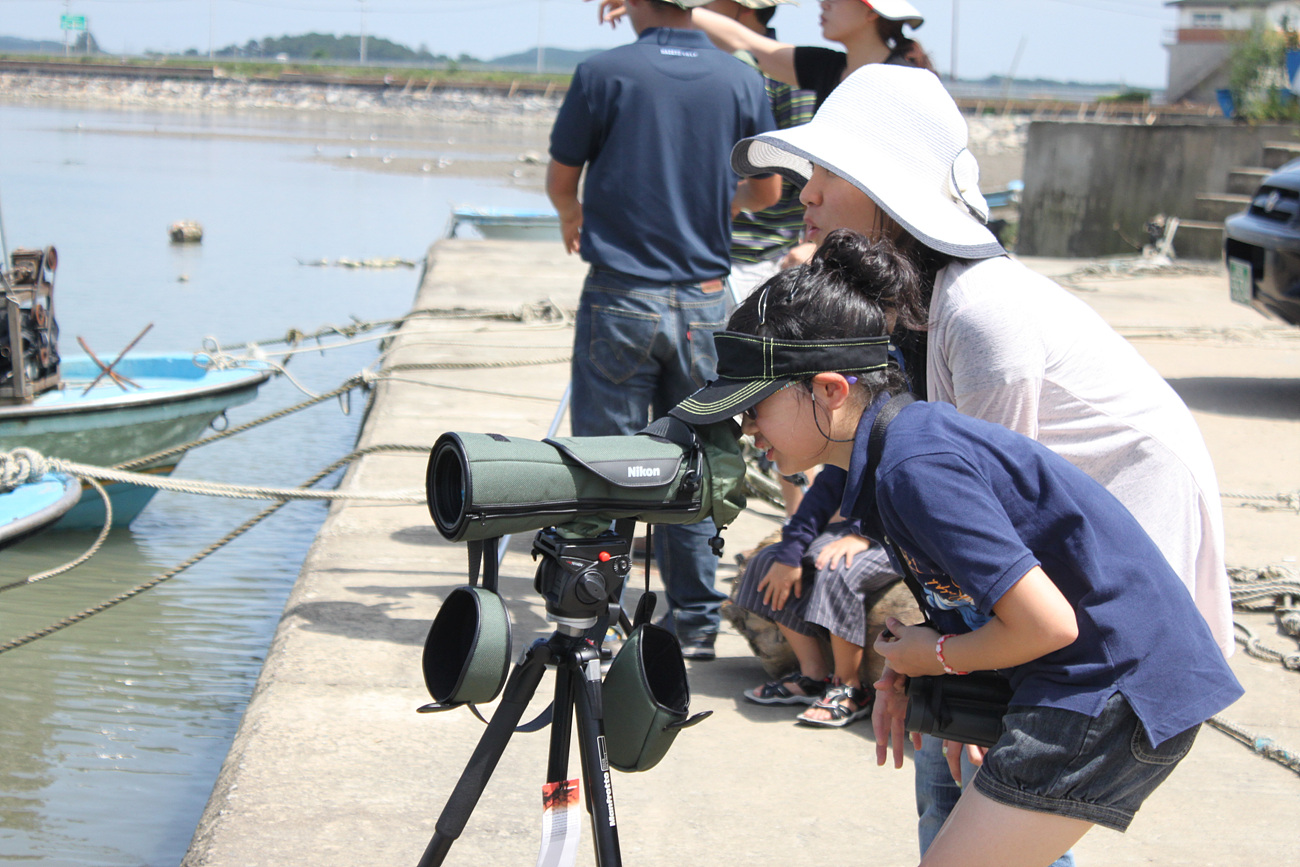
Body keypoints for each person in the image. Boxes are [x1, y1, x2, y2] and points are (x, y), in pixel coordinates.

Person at [726, 63, 1235, 861]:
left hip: (1117, 561)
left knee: (992, 775)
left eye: (827, 173)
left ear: (890, 191)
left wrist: (951, 668)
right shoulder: (914, 312)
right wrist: (930, 666)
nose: (806, 195)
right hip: (1037, 576)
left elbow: (978, 512)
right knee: (964, 765)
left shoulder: (981, 312)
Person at [546, 0, 781, 660]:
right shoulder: (741, 80)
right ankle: (697, 623)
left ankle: (594, 612)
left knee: (607, 463)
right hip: (706, 302)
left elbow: (563, 178)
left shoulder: (602, 72)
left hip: (621, 297)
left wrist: (572, 213)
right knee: (696, 462)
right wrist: (713, 199)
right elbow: (766, 193)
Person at [736, 464, 897, 727]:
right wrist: (791, 551)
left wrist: (865, 533)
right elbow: (823, 493)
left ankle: (850, 687)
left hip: (900, 534)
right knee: (770, 560)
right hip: (856, 526)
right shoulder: (847, 442)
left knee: (838, 570)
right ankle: (813, 675)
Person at [592, 0, 930, 110]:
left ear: (872, 12)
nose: (823, 3)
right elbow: (745, 39)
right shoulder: (830, 68)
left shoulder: (904, 78)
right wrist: (664, 7)